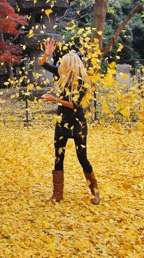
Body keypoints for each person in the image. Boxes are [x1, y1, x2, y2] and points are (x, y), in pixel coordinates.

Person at [38, 38, 100, 205]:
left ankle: (95, 191)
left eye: (64, 64)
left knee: (82, 157)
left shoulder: (81, 82)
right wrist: (47, 54)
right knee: (59, 156)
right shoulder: (62, 74)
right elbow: (43, 64)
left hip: (77, 123)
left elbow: (75, 105)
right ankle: (57, 194)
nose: (60, 67)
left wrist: (55, 100)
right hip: (62, 122)